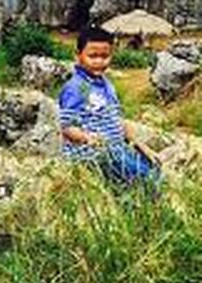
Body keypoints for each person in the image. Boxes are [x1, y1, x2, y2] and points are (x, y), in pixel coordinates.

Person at [58, 26, 161, 191]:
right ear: (77, 56)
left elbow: (117, 119)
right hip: (94, 156)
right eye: (93, 56)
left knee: (154, 167)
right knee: (146, 177)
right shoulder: (76, 87)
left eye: (104, 56)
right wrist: (87, 138)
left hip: (115, 150)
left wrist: (141, 145)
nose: (99, 61)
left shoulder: (107, 85)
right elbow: (66, 127)